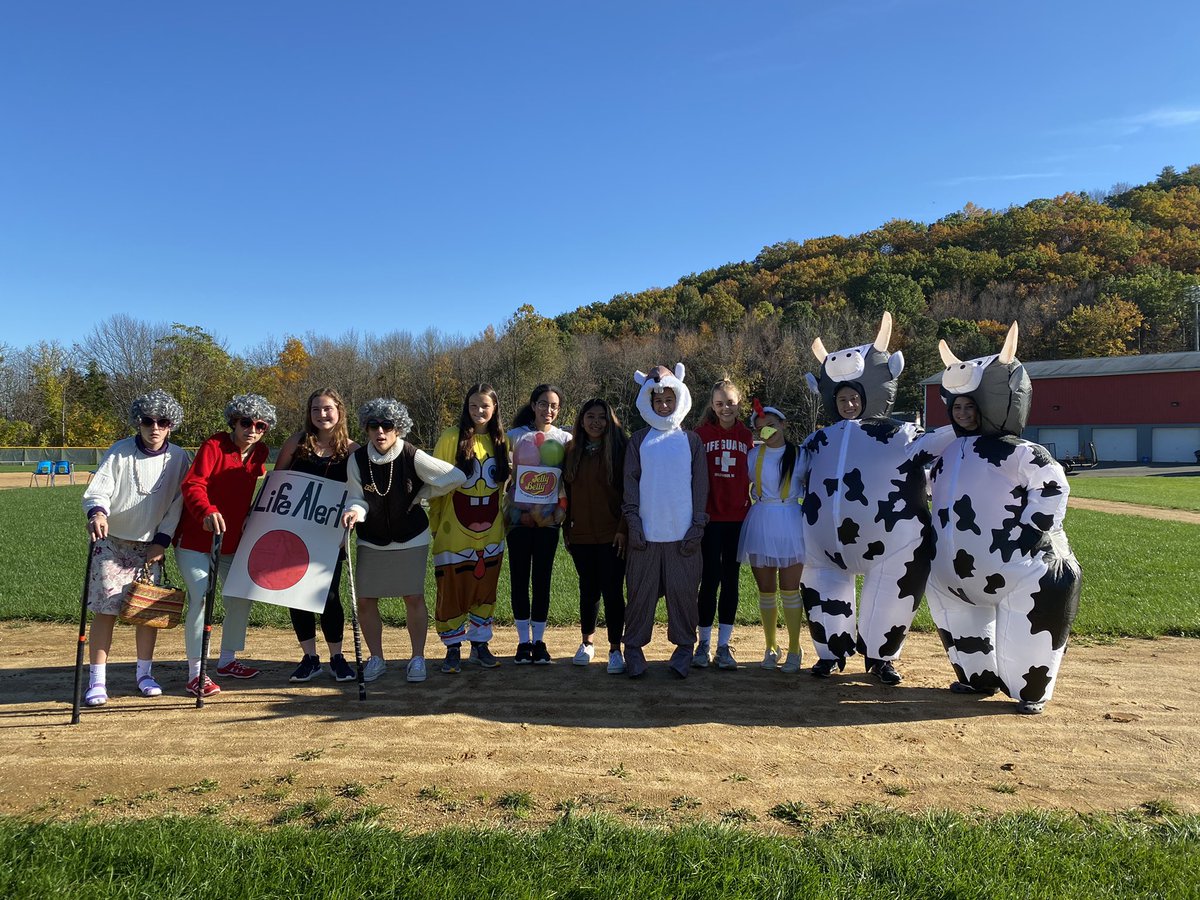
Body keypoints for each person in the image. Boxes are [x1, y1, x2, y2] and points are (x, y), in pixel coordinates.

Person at [928, 324, 1081, 714]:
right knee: (962, 627)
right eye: (957, 407)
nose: (962, 415)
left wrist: (1032, 531)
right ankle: (976, 675)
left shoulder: (1023, 452)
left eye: (970, 407)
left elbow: (1052, 487)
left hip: (1019, 568)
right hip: (952, 574)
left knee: (1026, 640)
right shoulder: (947, 450)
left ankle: (1029, 689)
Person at [799, 313, 956, 684]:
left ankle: (881, 657)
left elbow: (932, 444)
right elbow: (790, 470)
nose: (849, 404)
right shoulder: (820, 439)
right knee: (823, 590)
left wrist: (967, 425)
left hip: (892, 543)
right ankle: (831, 652)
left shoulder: (900, 433)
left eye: (854, 397)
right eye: (842, 398)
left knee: (889, 598)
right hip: (822, 545)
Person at [340, 398, 465, 683]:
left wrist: (423, 493)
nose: (380, 432)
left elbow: (454, 476)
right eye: (373, 426)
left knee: (413, 597)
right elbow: (357, 498)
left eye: (387, 426)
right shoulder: (357, 460)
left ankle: (417, 658)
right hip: (371, 539)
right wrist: (354, 512)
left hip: (411, 537)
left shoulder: (411, 454)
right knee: (366, 599)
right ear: (366, 428)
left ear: (399, 429)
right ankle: (376, 658)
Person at [80, 390, 191, 706]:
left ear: (171, 425)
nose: (154, 428)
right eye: (148, 421)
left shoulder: (180, 458)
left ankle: (144, 674)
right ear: (138, 423)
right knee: (106, 610)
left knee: (146, 611)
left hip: (149, 547)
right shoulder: (120, 452)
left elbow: (178, 505)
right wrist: (98, 512)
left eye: (162, 422)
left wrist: (162, 541)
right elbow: (98, 491)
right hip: (112, 542)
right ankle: (97, 681)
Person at [175, 393, 277, 697]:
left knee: (240, 596)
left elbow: (259, 478)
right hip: (195, 539)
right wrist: (207, 511)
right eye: (246, 422)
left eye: (260, 425)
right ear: (234, 421)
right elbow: (193, 484)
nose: (253, 430)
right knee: (201, 598)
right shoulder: (214, 446)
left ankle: (228, 659)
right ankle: (196, 672)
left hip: (232, 542)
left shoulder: (260, 453)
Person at [622, 364, 708, 678]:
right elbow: (630, 482)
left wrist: (698, 525)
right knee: (640, 597)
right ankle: (633, 649)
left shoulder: (691, 441)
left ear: (679, 398)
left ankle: (684, 649)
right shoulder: (639, 440)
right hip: (646, 535)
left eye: (669, 400)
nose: (664, 406)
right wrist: (633, 523)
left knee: (684, 596)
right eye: (658, 401)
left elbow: (700, 485)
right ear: (648, 402)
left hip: (682, 536)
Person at [273, 388, 359, 684]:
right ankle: (310, 657)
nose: (322, 415)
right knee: (296, 593)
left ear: (339, 411)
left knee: (329, 595)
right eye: (315, 409)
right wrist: (255, 517)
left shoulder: (352, 450)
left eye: (327, 409)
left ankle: (337, 656)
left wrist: (352, 518)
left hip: (330, 535)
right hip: (293, 532)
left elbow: (358, 495)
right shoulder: (297, 442)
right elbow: (276, 481)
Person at [428, 384, 511, 674]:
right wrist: (435, 525)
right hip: (453, 533)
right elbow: (436, 485)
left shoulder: (502, 442)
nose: (479, 411)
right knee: (452, 590)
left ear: (495, 408)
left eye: (485, 406)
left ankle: (479, 645)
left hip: (490, 534)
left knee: (484, 589)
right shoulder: (452, 438)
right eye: (473, 406)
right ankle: (452, 648)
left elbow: (504, 488)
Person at [738, 401, 807, 673]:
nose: (767, 432)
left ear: (783, 424)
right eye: (761, 429)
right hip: (762, 522)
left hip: (791, 521)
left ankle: (794, 648)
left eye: (772, 426)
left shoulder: (801, 455)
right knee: (766, 591)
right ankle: (770, 646)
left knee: (790, 590)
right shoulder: (754, 456)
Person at [506, 384, 571, 664]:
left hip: (549, 520)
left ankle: (540, 641)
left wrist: (561, 512)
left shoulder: (566, 438)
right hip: (518, 519)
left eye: (554, 405)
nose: (549, 410)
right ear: (533, 405)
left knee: (542, 579)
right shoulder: (513, 437)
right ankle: (523, 642)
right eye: (543, 404)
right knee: (519, 578)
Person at [562, 398, 628, 673]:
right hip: (581, 535)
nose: (596, 422)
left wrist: (623, 529)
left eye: (602, 417)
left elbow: (629, 494)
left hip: (613, 534)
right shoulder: (571, 450)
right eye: (590, 416)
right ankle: (587, 643)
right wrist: (566, 528)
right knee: (588, 590)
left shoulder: (620, 449)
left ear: (610, 420)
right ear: (581, 419)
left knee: (613, 591)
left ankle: (616, 648)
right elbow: (565, 493)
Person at [693, 378, 752, 671]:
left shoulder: (748, 436)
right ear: (712, 406)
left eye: (730, 402)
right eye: (719, 403)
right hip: (709, 518)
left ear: (739, 403)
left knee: (731, 580)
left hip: (737, 519)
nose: (725, 408)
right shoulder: (700, 435)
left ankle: (724, 646)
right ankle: (702, 644)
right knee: (709, 579)